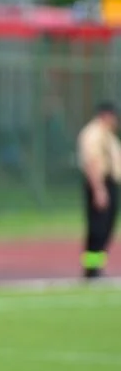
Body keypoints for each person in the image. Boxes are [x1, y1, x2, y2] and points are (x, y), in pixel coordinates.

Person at [76, 100, 121, 279]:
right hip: (100, 183)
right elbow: (92, 163)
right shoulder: (93, 134)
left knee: (107, 228)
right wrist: (99, 190)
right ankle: (91, 269)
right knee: (98, 228)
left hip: (111, 183)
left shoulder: (109, 135)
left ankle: (97, 267)